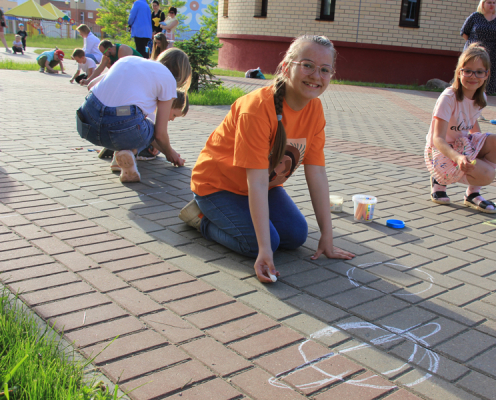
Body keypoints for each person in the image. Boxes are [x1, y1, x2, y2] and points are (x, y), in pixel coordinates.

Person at [179, 34, 355, 283]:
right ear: (286, 67)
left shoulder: (314, 109)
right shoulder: (256, 108)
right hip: (218, 187)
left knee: (296, 236)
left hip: (263, 186)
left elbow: (316, 173)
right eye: (307, 65)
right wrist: (263, 250)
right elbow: (257, 182)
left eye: (325, 70)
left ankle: (244, 224)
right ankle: (201, 219)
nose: (316, 76)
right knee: (264, 244)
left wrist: (327, 235)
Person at [76, 48, 191, 183]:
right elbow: (160, 134)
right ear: (181, 74)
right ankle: (128, 151)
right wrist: (170, 153)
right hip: (120, 128)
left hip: (86, 124)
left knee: (125, 121)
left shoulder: (128, 60)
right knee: (147, 126)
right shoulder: (168, 79)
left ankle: (118, 152)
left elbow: (91, 85)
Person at [425, 43, 496, 214]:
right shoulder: (448, 97)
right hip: (440, 152)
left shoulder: (480, 96)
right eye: (468, 70)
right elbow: (437, 139)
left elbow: (472, 127)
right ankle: (438, 180)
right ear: (459, 72)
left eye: (479, 72)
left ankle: (472, 194)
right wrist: (459, 158)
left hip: (462, 145)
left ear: (487, 74)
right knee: (487, 174)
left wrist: (477, 151)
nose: (473, 76)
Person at [461, 0, 496, 96]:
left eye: (494, 2)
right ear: (483, 4)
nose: (491, 5)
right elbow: (464, 32)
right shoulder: (475, 16)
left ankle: (481, 98)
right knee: (471, 73)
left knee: (485, 76)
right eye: (489, 2)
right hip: (474, 51)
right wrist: (471, 45)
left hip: (490, 52)